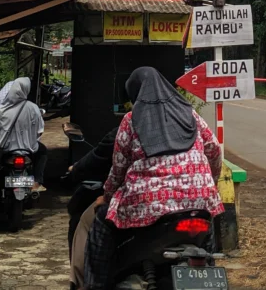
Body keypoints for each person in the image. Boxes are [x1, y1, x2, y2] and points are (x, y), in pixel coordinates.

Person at [84, 67, 222, 289]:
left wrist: (107, 197)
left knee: (101, 221)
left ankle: (95, 286)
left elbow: (118, 167)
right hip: (201, 200)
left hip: (150, 206)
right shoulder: (191, 115)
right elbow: (214, 150)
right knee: (206, 236)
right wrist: (208, 185)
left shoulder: (131, 120)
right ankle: (209, 273)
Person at [0, 77, 47, 193]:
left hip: (5, 148)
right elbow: (40, 130)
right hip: (29, 149)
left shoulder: (2, 108)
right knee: (43, 152)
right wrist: (30, 140)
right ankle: (36, 183)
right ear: (26, 90)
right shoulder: (33, 108)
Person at [65, 128, 117, 290]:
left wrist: (108, 196)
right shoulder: (194, 121)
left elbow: (118, 172)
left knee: (88, 220)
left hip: (145, 199)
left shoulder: (131, 125)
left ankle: (85, 284)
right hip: (194, 201)